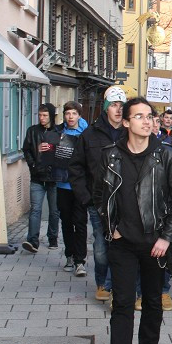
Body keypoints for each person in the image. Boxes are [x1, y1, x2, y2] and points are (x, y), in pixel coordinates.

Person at [94, 97, 172, 344]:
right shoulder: (110, 155)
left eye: (150, 116)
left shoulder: (166, 155)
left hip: (155, 244)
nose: (147, 121)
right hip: (122, 244)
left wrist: (166, 237)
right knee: (121, 305)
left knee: (152, 301)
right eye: (139, 116)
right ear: (126, 122)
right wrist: (112, 228)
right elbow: (100, 197)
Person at [69, 87, 129, 304]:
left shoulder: (130, 132)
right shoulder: (90, 134)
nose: (118, 110)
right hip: (98, 200)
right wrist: (86, 198)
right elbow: (76, 168)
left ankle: (115, 286)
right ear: (105, 108)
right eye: (114, 105)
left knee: (121, 244)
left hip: (125, 201)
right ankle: (102, 282)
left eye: (122, 106)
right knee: (102, 246)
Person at [54, 102, 89, 276]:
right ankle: (69, 255)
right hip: (63, 183)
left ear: (79, 115)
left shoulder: (87, 133)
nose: (70, 117)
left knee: (80, 222)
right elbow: (49, 155)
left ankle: (80, 260)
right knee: (66, 222)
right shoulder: (58, 132)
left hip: (81, 185)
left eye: (74, 113)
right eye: (68, 113)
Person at [22, 103, 60, 253]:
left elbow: (64, 151)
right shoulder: (32, 131)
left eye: (45, 115)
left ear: (51, 115)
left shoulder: (58, 131)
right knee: (35, 209)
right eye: (40, 115)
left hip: (54, 176)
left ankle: (53, 238)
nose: (42, 118)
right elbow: (26, 149)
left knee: (54, 211)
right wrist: (32, 164)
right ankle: (32, 241)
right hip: (37, 176)